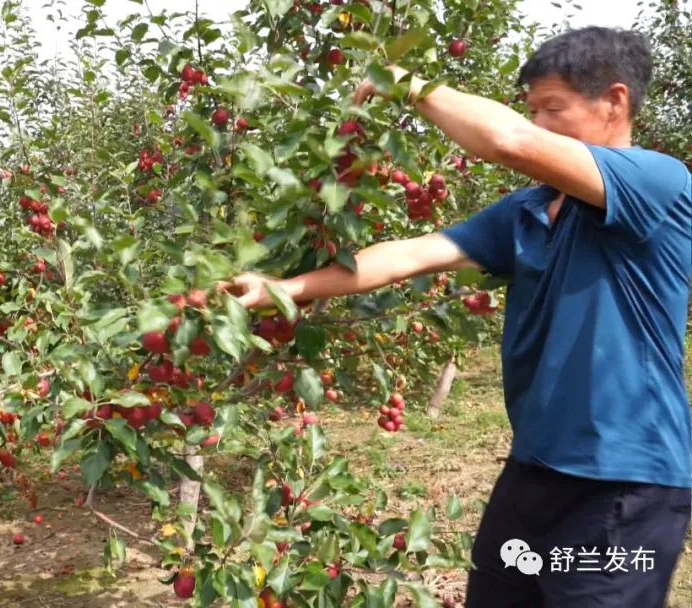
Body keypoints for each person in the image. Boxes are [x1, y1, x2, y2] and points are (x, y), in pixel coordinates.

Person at [224, 26, 691, 607]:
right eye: (532, 110)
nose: (539, 124)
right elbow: (412, 254)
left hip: (625, 482)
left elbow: (506, 141)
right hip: (535, 467)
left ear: (615, 101)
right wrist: (286, 287)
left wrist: (397, 79)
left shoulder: (657, 180)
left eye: (554, 108)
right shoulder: (525, 209)